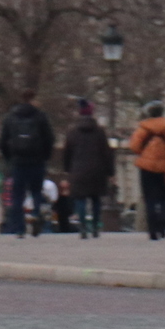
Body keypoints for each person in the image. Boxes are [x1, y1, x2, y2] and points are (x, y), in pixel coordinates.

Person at [0, 89, 56, 238]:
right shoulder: (41, 116)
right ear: (33, 99)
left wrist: (9, 158)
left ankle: (19, 227)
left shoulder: (10, 117)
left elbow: (3, 141)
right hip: (37, 160)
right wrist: (46, 156)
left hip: (18, 161)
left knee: (18, 195)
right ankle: (35, 215)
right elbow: (49, 139)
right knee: (36, 191)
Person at [127, 100, 165, 241]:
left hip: (147, 168)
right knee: (164, 198)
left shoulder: (142, 129)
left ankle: (152, 229)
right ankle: (163, 225)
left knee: (150, 199)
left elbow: (134, 147)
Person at [62, 101, 113, 239]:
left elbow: (67, 153)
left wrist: (67, 170)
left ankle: (83, 227)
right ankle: (96, 227)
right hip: (97, 170)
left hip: (78, 170)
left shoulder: (72, 132)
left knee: (80, 199)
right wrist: (110, 172)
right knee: (96, 199)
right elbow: (107, 153)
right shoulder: (100, 132)